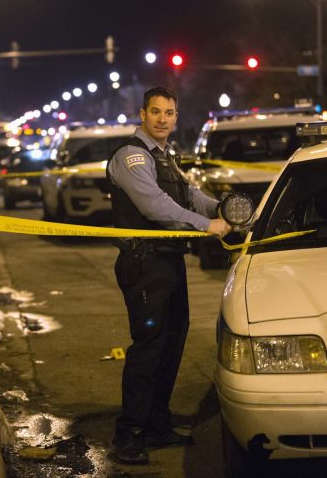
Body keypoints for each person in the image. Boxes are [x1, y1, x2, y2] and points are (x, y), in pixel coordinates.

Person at [106, 86, 231, 464]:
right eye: (156, 112)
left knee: (171, 344)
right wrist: (206, 225)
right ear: (142, 114)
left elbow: (188, 195)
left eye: (170, 113)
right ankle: (128, 435)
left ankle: (157, 426)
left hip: (168, 263)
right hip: (145, 266)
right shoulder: (132, 156)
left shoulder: (164, 156)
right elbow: (157, 206)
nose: (163, 119)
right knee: (148, 349)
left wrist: (228, 209)